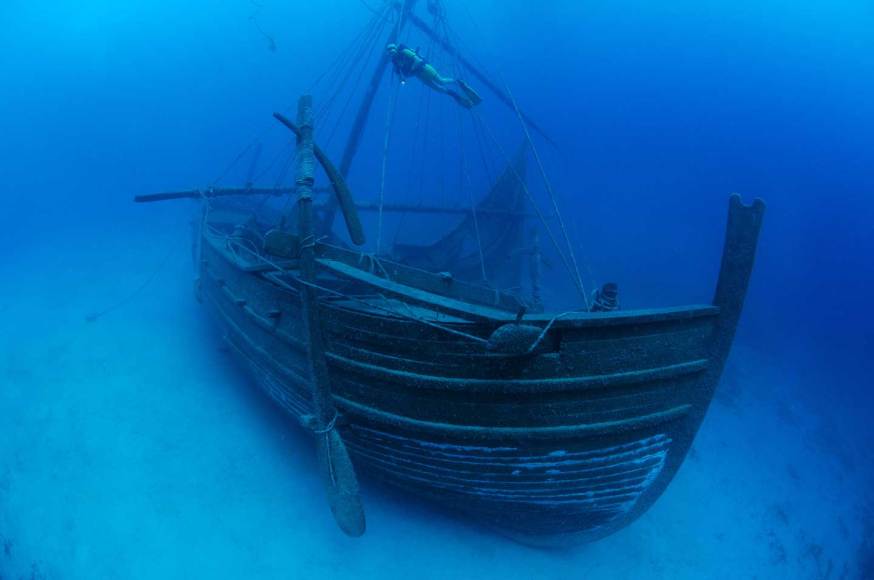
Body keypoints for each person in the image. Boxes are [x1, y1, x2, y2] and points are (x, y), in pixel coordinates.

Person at [386, 43, 482, 109]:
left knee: (441, 81)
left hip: (425, 68)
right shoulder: (396, 64)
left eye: (392, 49)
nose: (391, 52)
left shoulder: (403, 51)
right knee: (439, 89)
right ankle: (456, 96)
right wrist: (402, 79)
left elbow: (416, 59)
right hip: (420, 76)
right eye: (389, 51)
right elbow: (401, 77)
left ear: (395, 48)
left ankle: (458, 82)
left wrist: (411, 71)